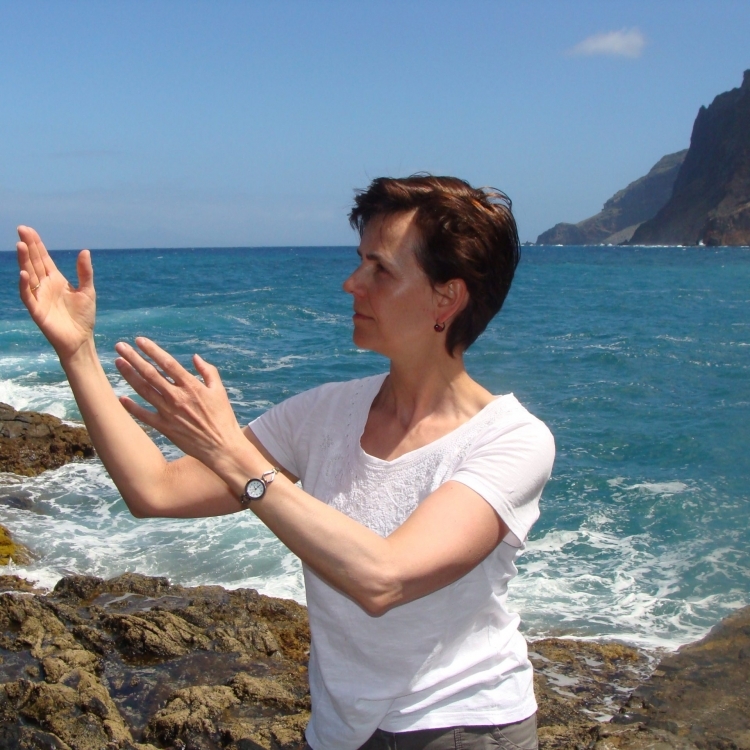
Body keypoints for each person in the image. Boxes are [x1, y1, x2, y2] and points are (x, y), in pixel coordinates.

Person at [16, 175, 554, 750]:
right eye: (359, 262)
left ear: (447, 297)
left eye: (381, 270)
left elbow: (383, 578)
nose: (352, 284)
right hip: (337, 729)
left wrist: (233, 455)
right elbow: (155, 490)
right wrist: (77, 351)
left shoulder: (513, 440)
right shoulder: (326, 412)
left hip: (462, 728)